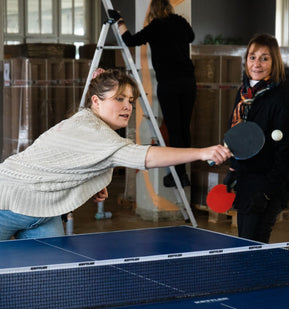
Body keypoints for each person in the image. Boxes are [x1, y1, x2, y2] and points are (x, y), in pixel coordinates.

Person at [0, 68, 230, 240]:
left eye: (130, 100)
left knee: (48, 278)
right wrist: (201, 152)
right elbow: (146, 157)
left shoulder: (85, 121)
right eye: (119, 99)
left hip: (43, 211)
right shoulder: (95, 131)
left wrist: (87, 182)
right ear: (95, 102)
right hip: (6, 202)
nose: (128, 106)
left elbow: (64, 162)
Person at [223, 33, 289, 243]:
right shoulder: (244, 95)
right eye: (252, 57)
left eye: (264, 58)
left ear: (274, 62)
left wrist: (267, 193)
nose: (256, 63)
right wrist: (233, 170)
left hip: (267, 186)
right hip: (246, 181)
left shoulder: (282, 102)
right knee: (245, 243)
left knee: (252, 246)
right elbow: (239, 138)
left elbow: (288, 155)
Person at [110, 0, 196, 187]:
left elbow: (130, 41)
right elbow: (191, 37)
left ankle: (178, 175)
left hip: (169, 84)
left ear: (154, 11)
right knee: (184, 128)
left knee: (174, 130)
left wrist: (120, 21)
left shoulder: (156, 26)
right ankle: (183, 174)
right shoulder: (180, 22)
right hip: (189, 82)